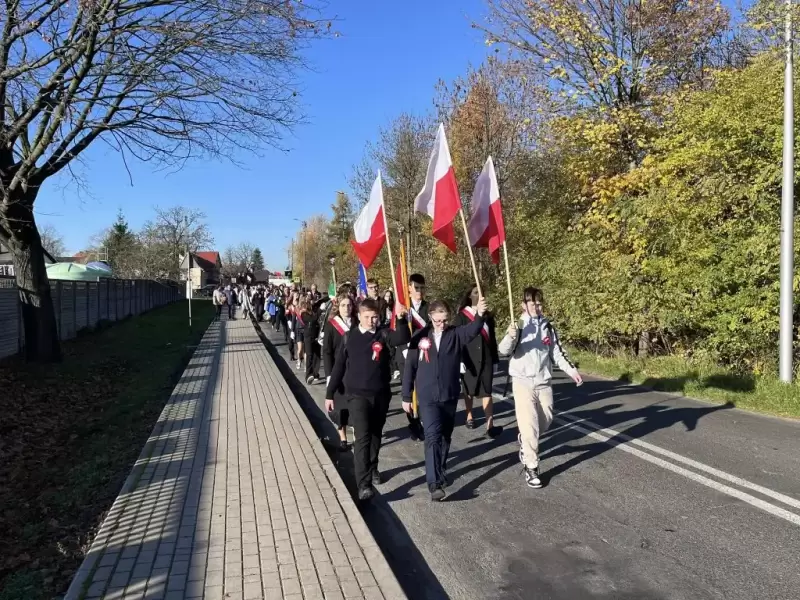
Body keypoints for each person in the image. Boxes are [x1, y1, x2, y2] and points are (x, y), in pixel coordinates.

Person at [402, 297, 488, 501]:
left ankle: (440, 469)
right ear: (430, 317)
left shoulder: (455, 334)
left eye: (445, 320)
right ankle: (434, 484)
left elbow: (473, 330)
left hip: (449, 395)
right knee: (432, 436)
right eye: (438, 320)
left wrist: (480, 314)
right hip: (427, 396)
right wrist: (406, 395)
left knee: (445, 437)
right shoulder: (420, 337)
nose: (442, 324)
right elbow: (410, 367)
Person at [325, 298, 410, 501]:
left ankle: (373, 468)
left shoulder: (383, 334)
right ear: (359, 316)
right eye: (367, 317)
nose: (371, 321)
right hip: (357, 396)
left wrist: (401, 318)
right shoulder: (349, 337)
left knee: (375, 435)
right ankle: (363, 484)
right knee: (362, 437)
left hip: (380, 394)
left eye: (375, 317)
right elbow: (339, 367)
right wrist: (330, 393)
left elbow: (402, 337)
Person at [498, 287, 583, 489]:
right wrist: (510, 336)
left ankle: (525, 439)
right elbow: (503, 351)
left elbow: (557, 352)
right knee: (530, 427)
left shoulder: (548, 326)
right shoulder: (518, 326)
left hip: (544, 382)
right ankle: (531, 467)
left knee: (546, 420)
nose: (536, 307)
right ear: (523, 305)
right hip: (522, 382)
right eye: (532, 304)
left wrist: (572, 371)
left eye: (539, 304)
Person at [454, 284, 502, 438]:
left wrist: (495, 359)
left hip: (486, 358)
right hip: (469, 358)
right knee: (469, 390)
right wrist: (459, 359)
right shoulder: (461, 316)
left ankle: (490, 424)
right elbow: (457, 340)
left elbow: (492, 339)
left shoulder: (488, 316)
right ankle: (469, 415)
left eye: (482, 292)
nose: (480, 295)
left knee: (487, 390)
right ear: (469, 296)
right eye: (476, 292)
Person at [322, 294, 355, 450]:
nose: (346, 308)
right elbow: (327, 351)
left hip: (354, 371)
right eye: (343, 305)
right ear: (338, 307)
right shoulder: (331, 325)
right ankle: (343, 437)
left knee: (354, 404)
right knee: (339, 407)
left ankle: (357, 433)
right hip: (337, 371)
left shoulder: (357, 323)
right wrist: (329, 375)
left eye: (349, 305)